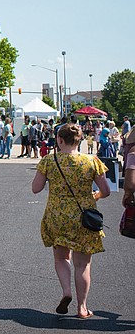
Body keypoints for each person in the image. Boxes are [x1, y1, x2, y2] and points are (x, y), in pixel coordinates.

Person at [32, 124, 111, 319]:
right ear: (80, 140)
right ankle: (82, 307)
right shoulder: (92, 161)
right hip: (84, 217)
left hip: (57, 216)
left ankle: (66, 291)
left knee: (61, 257)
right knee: (82, 264)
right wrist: (96, 196)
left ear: (59, 140)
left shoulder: (49, 161)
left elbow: (36, 188)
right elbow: (106, 191)